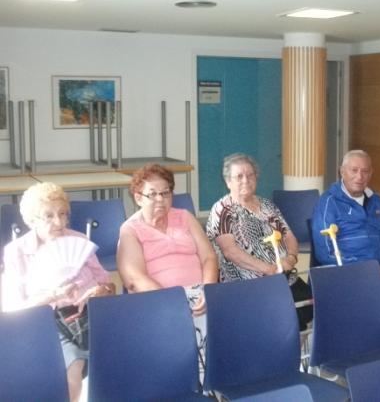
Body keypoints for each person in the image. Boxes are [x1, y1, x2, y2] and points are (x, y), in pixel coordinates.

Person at [2, 182, 115, 402]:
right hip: (50, 321)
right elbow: (13, 309)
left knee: (123, 354)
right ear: (32, 220)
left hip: (92, 314)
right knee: (74, 366)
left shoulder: (79, 240)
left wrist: (100, 291)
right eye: (49, 216)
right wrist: (54, 295)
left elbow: (109, 285)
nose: (59, 222)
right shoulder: (16, 252)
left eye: (63, 214)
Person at [117, 163, 218, 373]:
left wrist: (208, 290)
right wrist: (173, 301)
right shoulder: (130, 229)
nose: (160, 200)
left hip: (200, 295)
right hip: (160, 300)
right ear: (138, 198)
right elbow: (134, 279)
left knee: (227, 328)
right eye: (152, 194)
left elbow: (209, 257)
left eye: (165, 193)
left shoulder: (185, 217)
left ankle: (210, 380)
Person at [311, 149, 380, 299]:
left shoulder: (377, 201)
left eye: (365, 171)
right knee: (378, 304)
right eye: (354, 170)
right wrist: (366, 270)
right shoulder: (329, 202)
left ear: (371, 174)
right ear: (342, 172)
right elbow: (325, 252)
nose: (360, 177)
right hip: (351, 273)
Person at [206, 153, 299, 282]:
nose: (245, 181)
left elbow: (288, 236)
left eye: (250, 175)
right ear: (228, 182)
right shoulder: (222, 209)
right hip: (248, 284)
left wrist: (291, 258)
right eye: (239, 176)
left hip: (285, 277)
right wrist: (270, 269)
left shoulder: (267, 205)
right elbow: (230, 251)